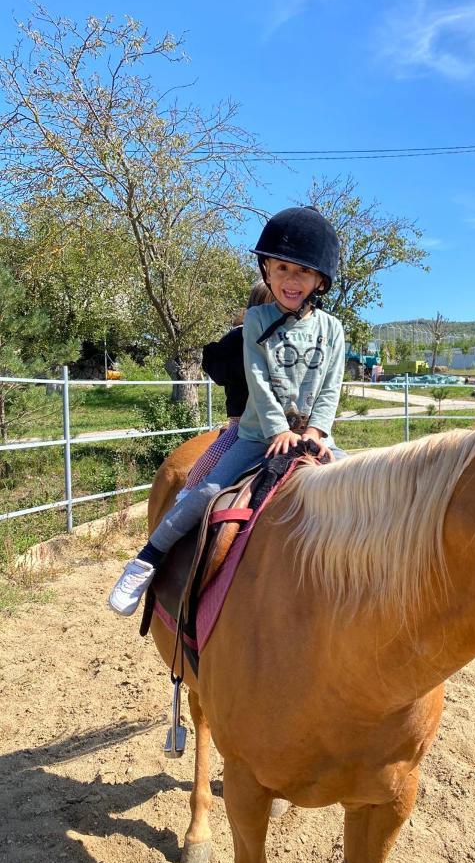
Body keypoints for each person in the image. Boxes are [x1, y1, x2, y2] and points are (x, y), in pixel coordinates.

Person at [108, 205, 346, 616]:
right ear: (267, 270)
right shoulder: (256, 319)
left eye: (302, 272)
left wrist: (318, 431)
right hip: (257, 436)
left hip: (311, 437)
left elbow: (331, 386)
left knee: (358, 490)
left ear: (319, 280)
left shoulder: (333, 329)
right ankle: (147, 559)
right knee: (207, 490)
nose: (292, 280)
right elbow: (258, 378)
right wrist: (277, 431)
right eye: (283, 268)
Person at [177, 280, 275, 497]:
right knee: (215, 455)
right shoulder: (238, 338)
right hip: (244, 424)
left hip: (287, 425)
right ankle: (186, 494)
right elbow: (220, 373)